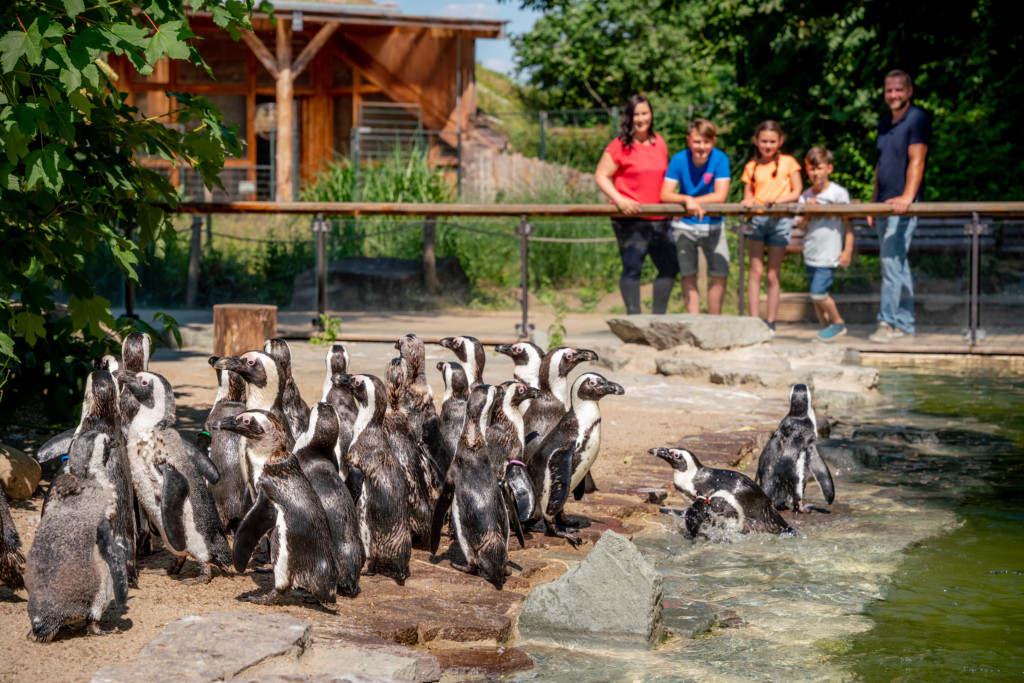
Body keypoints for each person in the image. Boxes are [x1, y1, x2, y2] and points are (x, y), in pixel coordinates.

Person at [595, 94, 679, 315]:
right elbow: (601, 176)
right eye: (636, 114)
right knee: (633, 268)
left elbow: (663, 179)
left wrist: (673, 203)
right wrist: (620, 199)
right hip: (630, 218)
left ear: (651, 114)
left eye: (645, 113)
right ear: (629, 117)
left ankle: (658, 319)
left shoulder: (659, 142)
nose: (641, 119)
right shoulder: (619, 145)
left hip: (660, 217)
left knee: (669, 267)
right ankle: (634, 319)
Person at [868, 69, 931, 343]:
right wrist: (872, 203)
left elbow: (917, 160)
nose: (893, 95)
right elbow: (880, 164)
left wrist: (907, 197)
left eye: (898, 90)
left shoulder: (917, 119)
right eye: (889, 90)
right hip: (884, 205)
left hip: (903, 205)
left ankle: (886, 322)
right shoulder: (884, 123)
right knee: (898, 265)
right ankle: (905, 325)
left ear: (909, 92)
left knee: (890, 262)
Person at [660, 118, 731, 314]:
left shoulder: (720, 159)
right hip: (684, 226)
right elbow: (665, 194)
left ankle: (714, 321)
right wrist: (686, 200)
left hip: (713, 225)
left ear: (713, 141)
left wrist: (693, 200)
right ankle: (694, 321)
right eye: (697, 142)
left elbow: (721, 195)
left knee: (720, 274)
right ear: (689, 141)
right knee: (688, 274)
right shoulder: (679, 159)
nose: (701, 147)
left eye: (706, 142)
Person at [740, 120, 803, 335]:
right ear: (756, 142)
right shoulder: (751, 166)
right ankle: (752, 320)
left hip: (780, 220)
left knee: (772, 274)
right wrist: (748, 202)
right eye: (764, 141)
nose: (768, 145)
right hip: (757, 220)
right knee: (755, 271)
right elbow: (747, 196)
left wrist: (778, 200)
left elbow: (797, 191)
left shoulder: (788, 162)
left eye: (772, 141)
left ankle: (771, 322)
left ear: (780, 142)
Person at [796, 146, 854, 342]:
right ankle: (825, 331)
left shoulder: (838, 193)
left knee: (818, 293)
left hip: (829, 253)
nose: (815, 173)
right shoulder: (804, 196)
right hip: (811, 251)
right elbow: (801, 226)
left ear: (829, 168)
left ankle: (838, 324)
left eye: (819, 168)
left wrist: (847, 251)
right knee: (816, 297)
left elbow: (848, 224)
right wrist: (807, 212)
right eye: (811, 169)